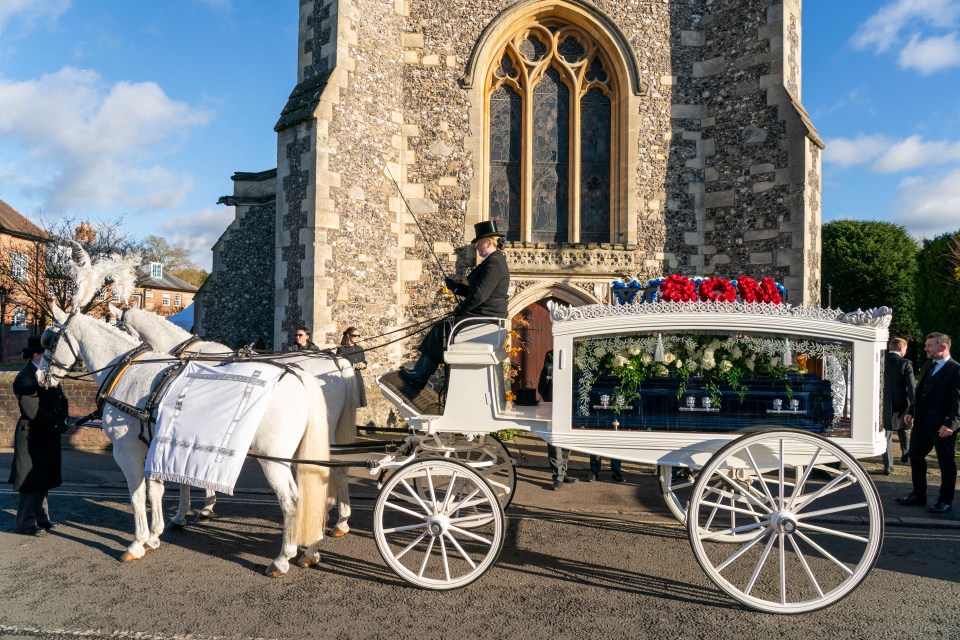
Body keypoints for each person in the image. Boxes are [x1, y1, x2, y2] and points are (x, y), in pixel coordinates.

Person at [399, 220, 510, 393]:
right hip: (484, 314)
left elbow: (480, 295)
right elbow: (478, 290)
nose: (477, 247)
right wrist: (456, 287)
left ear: (488, 242)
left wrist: (461, 309)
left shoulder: (494, 262)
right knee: (442, 329)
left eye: (478, 243)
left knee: (440, 331)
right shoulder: (494, 261)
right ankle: (419, 374)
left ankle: (419, 376)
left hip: (484, 315)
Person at [8, 335, 72, 536]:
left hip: (46, 433)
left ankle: (42, 518)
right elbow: (32, 409)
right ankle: (25, 524)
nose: (52, 357)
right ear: (36, 354)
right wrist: (57, 422)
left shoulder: (47, 374)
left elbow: (61, 399)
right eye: (47, 353)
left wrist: (64, 417)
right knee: (30, 480)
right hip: (31, 434)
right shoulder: (25, 378)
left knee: (44, 478)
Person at [895, 332, 960, 514]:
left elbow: (958, 403)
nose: (925, 349)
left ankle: (945, 501)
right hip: (922, 423)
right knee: (915, 456)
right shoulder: (927, 365)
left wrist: (951, 424)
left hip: (942, 427)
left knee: (946, 463)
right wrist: (911, 411)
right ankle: (918, 495)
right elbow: (920, 392)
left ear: (943, 347)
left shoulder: (956, 370)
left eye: (929, 346)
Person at [537, 350, 576, 490]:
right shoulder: (551, 354)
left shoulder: (579, 354)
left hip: (572, 402)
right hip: (554, 402)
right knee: (554, 440)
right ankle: (557, 476)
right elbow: (544, 380)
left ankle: (562, 472)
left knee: (567, 439)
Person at [882, 337, 915, 473]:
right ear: (901, 348)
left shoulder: (880, 361)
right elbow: (912, 386)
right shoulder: (906, 363)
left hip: (884, 401)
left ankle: (888, 465)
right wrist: (913, 404)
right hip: (901, 400)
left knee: (886, 433)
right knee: (905, 427)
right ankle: (905, 454)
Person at [336, 326, 367, 407]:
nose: (357, 337)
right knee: (348, 405)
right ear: (348, 336)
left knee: (357, 405)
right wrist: (352, 366)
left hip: (357, 378)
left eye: (358, 336)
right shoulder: (342, 349)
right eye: (355, 335)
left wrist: (363, 365)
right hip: (347, 379)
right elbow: (339, 364)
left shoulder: (360, 349)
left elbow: (364, 361)